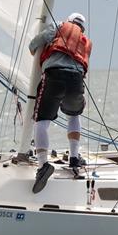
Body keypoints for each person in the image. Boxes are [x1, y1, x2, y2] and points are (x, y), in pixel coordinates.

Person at [28, 12, 93, 193]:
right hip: (76, 79)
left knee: (41, 121)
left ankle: (43, 165)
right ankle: (74, 157)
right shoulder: (85, 41)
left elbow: (43, 37)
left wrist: (32, 47)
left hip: (55, 75)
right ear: (82, 28)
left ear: (70, 21)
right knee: (74, 114)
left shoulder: (60, 25)